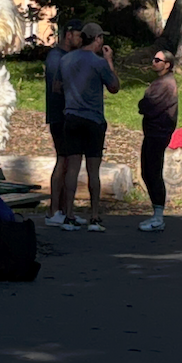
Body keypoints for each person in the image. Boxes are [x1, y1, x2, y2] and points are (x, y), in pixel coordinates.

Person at [57, 22, 119, 231]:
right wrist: (109, 60)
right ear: (98, 39)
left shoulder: (66, 59)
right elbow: (114, 87)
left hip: (71, 117)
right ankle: (94, 216)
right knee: (93, 170)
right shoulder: (99, 62)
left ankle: (69, 214)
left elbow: (57, 86)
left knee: (72, 167)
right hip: (93, 120)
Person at [43, 19, 84, 227]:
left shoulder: (69, 57)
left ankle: (65, 210)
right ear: (69, 35)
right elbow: (56, 87)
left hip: (71, 116)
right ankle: (53, 211)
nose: (81, 39)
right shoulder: (56, 58)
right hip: (60, 116)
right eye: (79, 35)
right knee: (62, 159)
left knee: (69, 161)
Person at [137, 48, 178, 231]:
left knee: (153, 172)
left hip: (158, 133)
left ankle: (158, 216)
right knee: (147, 171)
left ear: (167, 64)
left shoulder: (166, 84)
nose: (153, 62)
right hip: (152, 132)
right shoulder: (161, 82)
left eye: (158, 60)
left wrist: (143, 104)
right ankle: (156, 213)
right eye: (154, 59)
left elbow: (147, 106)